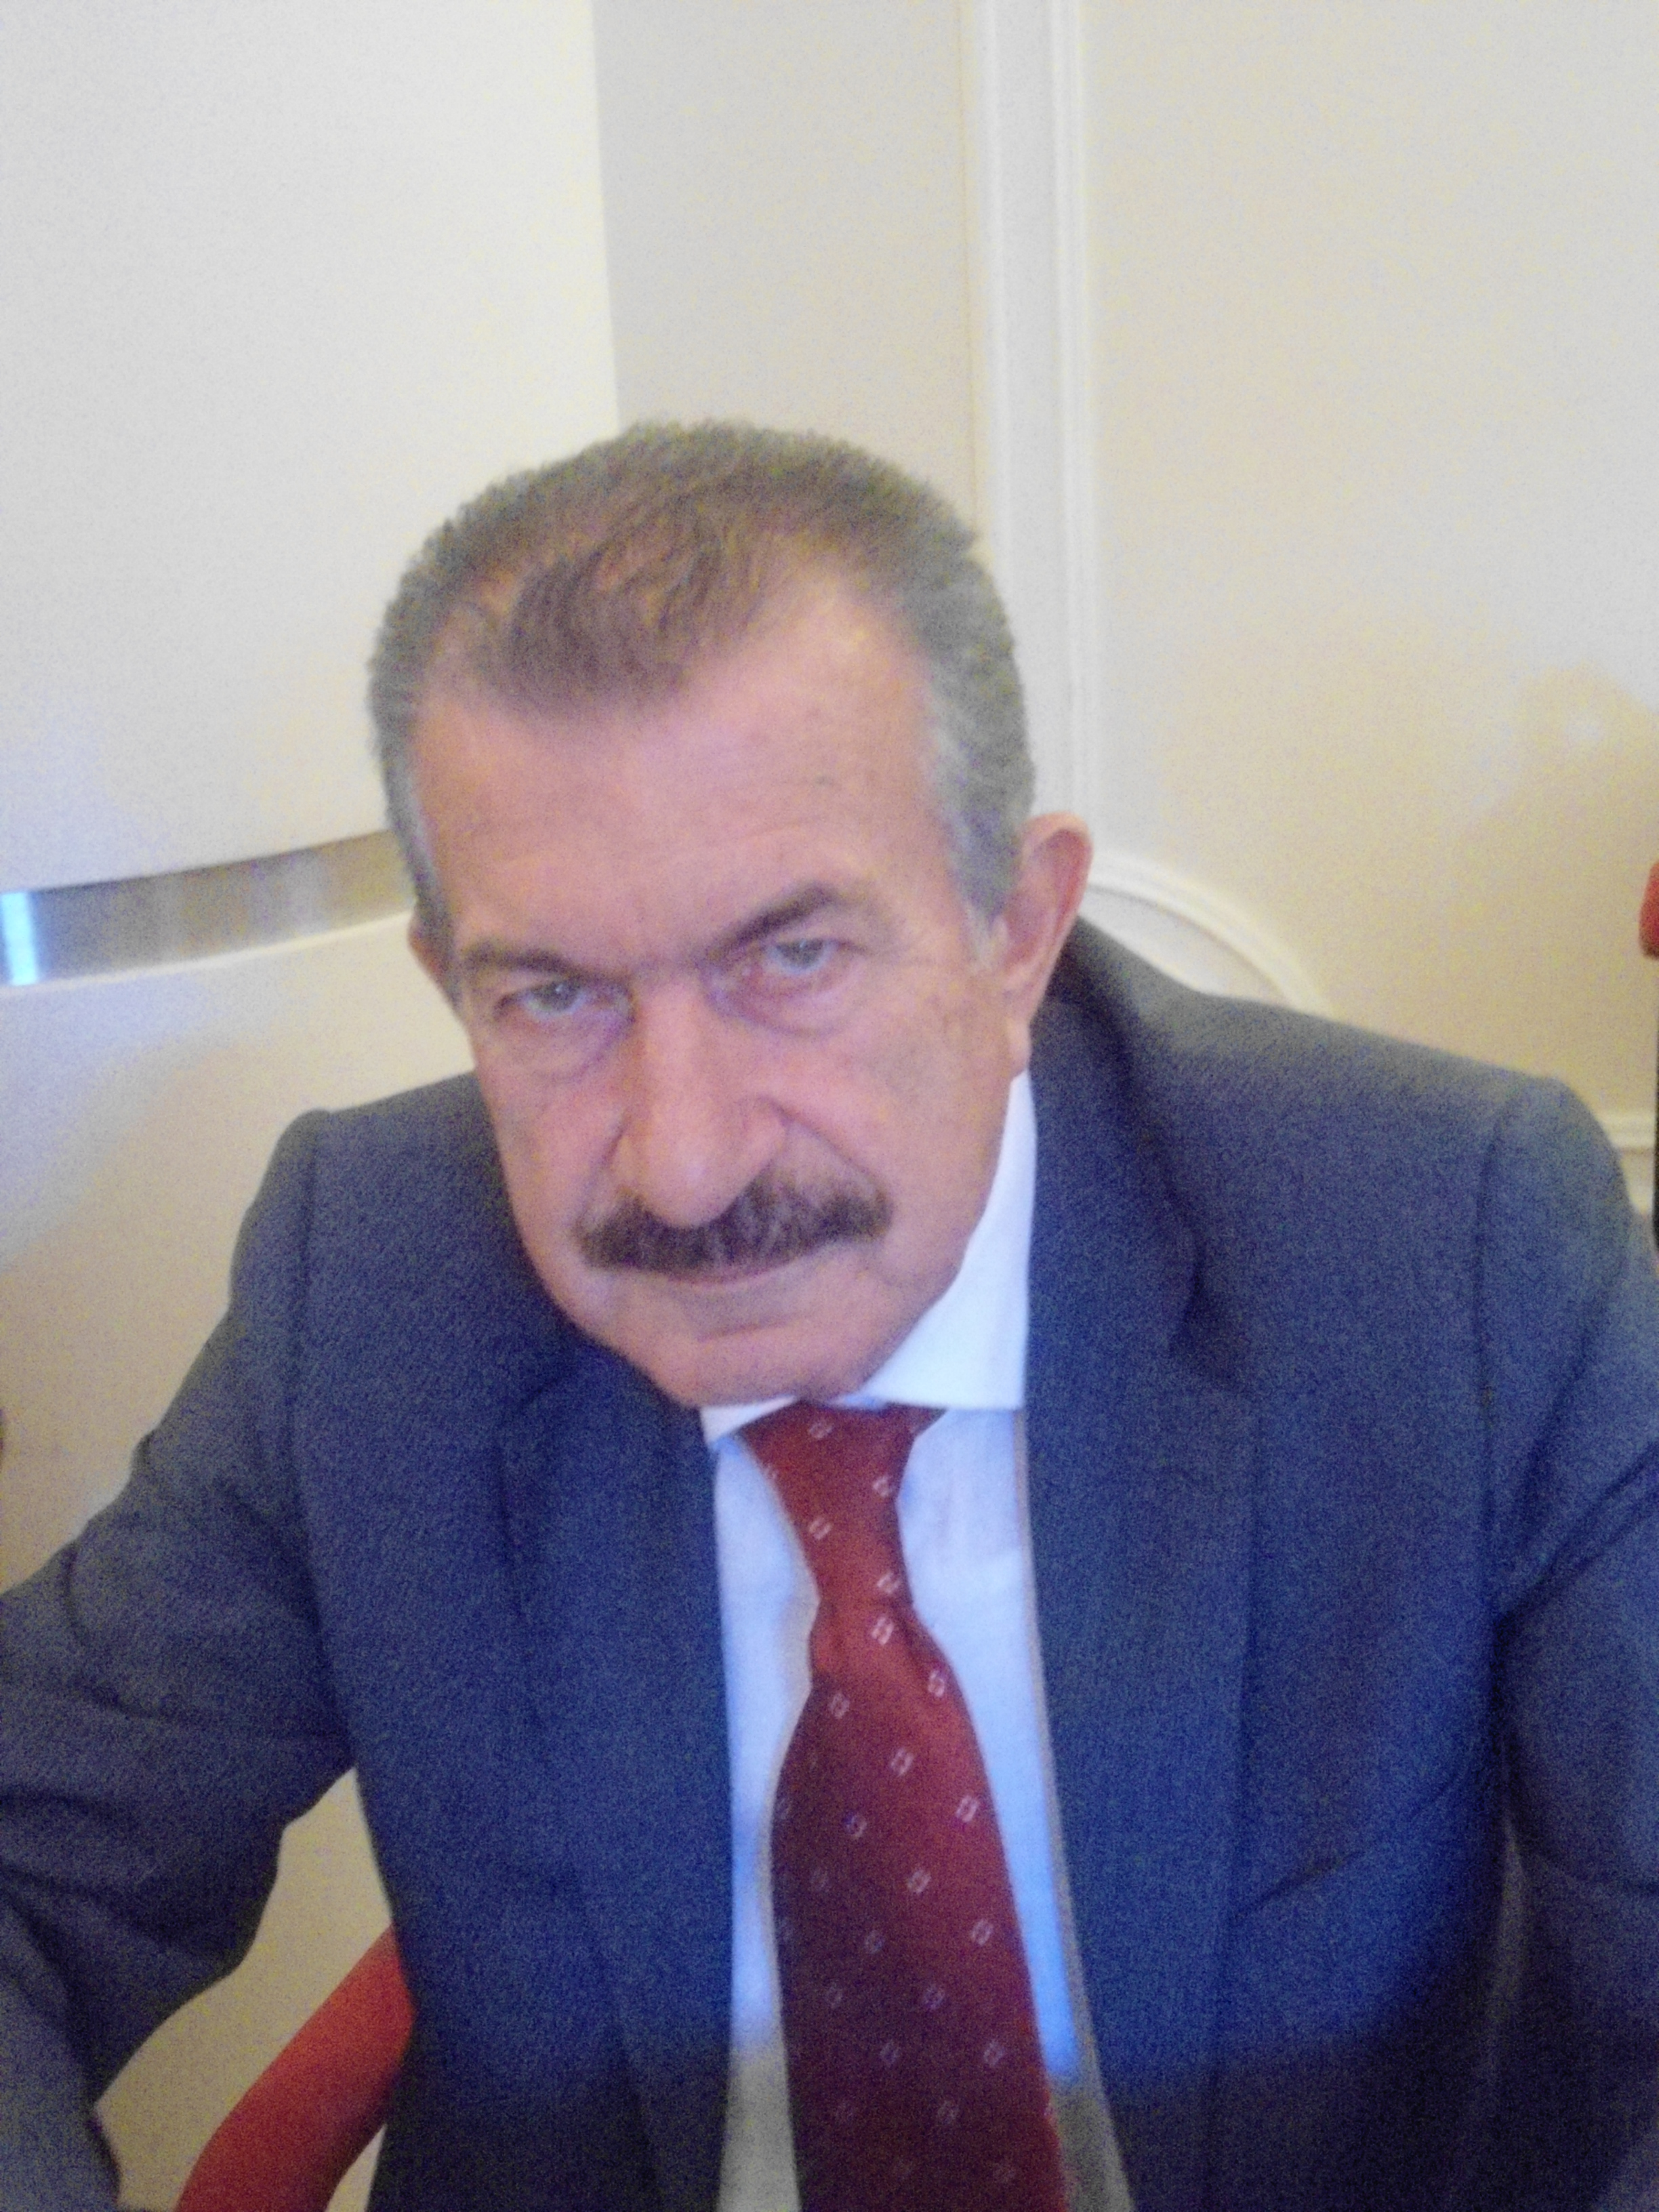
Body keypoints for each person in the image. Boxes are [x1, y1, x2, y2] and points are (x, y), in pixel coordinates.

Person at [2, 423, 1657, 2212]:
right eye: (552, 995)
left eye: (791, 958)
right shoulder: (374, 1287)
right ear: (447, 984)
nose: (685, 1162)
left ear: (1016, 929)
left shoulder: (1444, 1249)